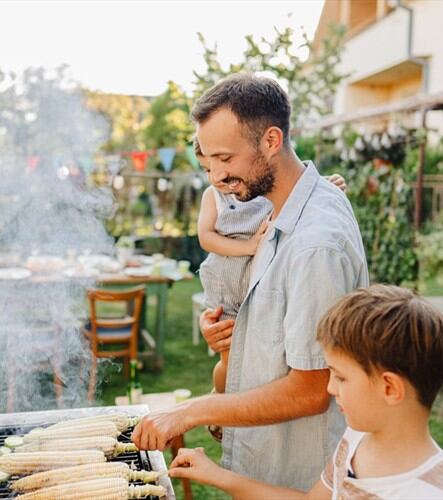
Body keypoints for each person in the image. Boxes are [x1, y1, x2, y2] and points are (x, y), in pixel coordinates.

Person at [132, 73, 369, 490]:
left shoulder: (316, 244)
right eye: (209, 162)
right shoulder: (279, 208)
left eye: (226, 159)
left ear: (271, 141)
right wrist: (232, 333)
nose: (216, 177)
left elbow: (311, 389)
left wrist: (194, 411)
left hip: (297, 474)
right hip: (266, 462)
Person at [168, 285, 443, 500]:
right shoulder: (356, 440)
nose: (329, 388)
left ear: (390, 388)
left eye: (340, 377)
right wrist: (217, 475)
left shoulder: (432, 493)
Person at [194, 137, 346, 425]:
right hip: (228, 279)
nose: (216, 177)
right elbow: (206, 237)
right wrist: (248, 247)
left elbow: (294, 189)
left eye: (223, 161)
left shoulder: (255, 188)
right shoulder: (212, 196)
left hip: (257, 275)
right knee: (230, 358)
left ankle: (235, 409)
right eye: (206, 169)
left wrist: (326, 183)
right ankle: (219, 399)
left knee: (256, 358)